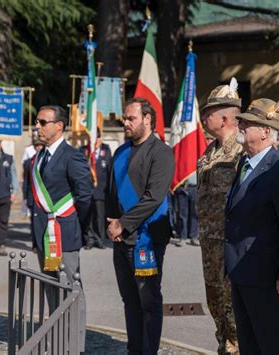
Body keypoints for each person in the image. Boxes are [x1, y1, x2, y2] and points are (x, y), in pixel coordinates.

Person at [225, 87, 279, 355]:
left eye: (249, 122)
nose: (241, 125)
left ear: (266, 132)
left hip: (267, 277)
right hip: (242, 271)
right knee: (251, 345)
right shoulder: (246, 164)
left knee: (275, 345)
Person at [106, 97, 175, 355]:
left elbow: (153, 197)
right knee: (129, 300)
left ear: (148, 119)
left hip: (147, 239)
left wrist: (122, 223)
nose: (125, 122)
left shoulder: (162, 153)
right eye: (125, 118)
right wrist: (112, 224)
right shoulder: (120, 152)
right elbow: (111, 191)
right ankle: (134, 349)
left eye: (131, 118)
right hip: (120, 238)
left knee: (148, 301)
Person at [32, 105, 93, 352]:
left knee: (71, 290)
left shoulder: (72, 155)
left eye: (42, 122)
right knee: (51, 287)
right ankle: (58, 338)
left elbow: (85, 195)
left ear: (59, 126)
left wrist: (78, 226)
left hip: (63, 235)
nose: (37, 126)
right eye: (37, 121)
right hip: (44, 236)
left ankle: (75, 344)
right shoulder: (40, 155)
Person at [198, 81, 244, 354]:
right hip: (210, 248)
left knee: (236, 316)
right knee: (218, 311)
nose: (204, 118)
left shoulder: (241, 153)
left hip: (232, 249)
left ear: (225, 117)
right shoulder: (208, 153)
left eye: (209, 113)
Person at [80, 128, 112, 249]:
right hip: (86, 190)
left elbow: (109, 170)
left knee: (99, 216)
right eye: (93, 138)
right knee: (89, 216)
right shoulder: (83, 150)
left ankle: (100, 239)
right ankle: (89, 239)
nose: (96, 140)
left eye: (97, 137)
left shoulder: (106, 149)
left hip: (101, 189)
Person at [22, 138, 45, 251]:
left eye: (40, 145)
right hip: (32, 196)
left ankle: (44, 242)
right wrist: (25, 196)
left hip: (45, 197)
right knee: (34, 222)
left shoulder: (48, 161)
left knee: (44, 221)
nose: (38, 147)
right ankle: (35, 244)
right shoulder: (28, 162)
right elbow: (26, 180)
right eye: (37, 146)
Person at [173, 172, 200, 247]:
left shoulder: (196, 159)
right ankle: (183, 237)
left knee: (194, 213)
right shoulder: (178, 159)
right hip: (181, 187)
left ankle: (194, 237)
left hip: (194, 187)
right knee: (182, 214)